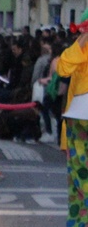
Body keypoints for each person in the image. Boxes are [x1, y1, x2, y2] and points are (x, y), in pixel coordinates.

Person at [56, 12, 88, 225]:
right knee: (78, 188)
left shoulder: (82, 49)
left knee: (80, 183)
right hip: (78, 117)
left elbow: (63, 66)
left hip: (81, 118)